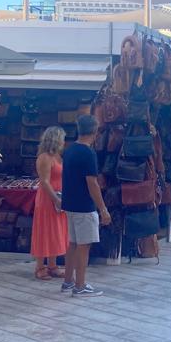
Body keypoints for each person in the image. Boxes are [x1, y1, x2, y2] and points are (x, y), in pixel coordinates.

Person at [60, 115, 110, 296]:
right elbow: (92, 183)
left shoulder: (70, 150)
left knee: (73, 243)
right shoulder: (88, 153)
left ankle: (68, 281)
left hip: (71, 203)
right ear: (95, 132)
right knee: (84, 245)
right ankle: (80, 285)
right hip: (84, 205)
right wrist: (103, 208)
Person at [30, 126, 68, 280]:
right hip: (48, 198)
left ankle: (52, 265)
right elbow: (44, 182)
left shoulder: (57, 157)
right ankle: (40, 266)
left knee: (55, 231)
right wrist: (56, 199)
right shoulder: (45, 157)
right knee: (45, 230)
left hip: (58, 196)